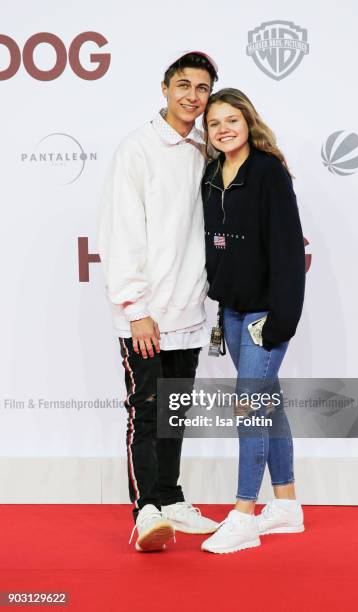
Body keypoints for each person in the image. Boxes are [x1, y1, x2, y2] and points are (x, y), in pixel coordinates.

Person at [98, 51, 219, 552]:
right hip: (145, 316)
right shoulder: (138, 148)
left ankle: (171, 499)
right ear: (165, 88)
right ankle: (145, 511)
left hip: (190, 312)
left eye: (202, 88)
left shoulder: (207, 149)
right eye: (184, 85)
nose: (192, 96)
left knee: (173, 413)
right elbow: (121, 232)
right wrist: (135, 308)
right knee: (146, 412)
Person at [200, 88, 306, 554]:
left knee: (250, 407)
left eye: (231, 119)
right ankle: (286, 506)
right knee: (268, 403)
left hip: (266, 314)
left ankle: (244, 512)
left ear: (248, 122)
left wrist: (283, 319)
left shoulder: (268, 172)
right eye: (214, 122)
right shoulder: (210, 174)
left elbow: (287, 250)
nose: (223, 128)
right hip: (233, 311)